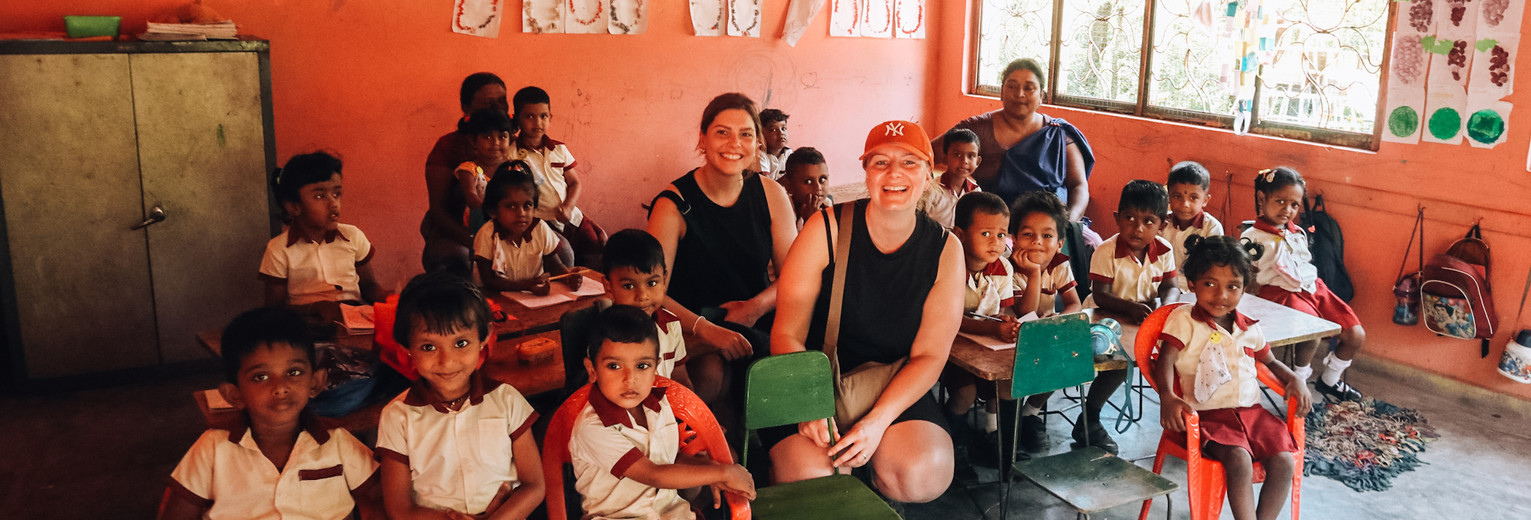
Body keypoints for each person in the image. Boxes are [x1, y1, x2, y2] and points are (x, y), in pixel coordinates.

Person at [769, 120, 962, 503]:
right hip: (812, 379)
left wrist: (878, 422)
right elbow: (786, 333)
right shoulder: (826, 228)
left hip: (891, 384)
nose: (894, 174)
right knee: (816, 481)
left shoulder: (945, 250)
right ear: (866, 172)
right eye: (880, 162)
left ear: (928, 174)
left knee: (922, 473)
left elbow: (930, 355)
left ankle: (876, 478)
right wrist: (809, 404)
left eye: (909, 162)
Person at [645, 93, 798, 405]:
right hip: (690, 325)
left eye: (746, 134)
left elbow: (796, 277)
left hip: (756, 319)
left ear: (758, 142)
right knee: (710, 381)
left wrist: (755, 307)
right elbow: (651, 291)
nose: (734, 144)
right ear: (703, 138)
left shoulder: (771, 195)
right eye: (722, 132)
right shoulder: (672, 205)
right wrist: (707, 330)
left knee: (792, 372)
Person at [159, 308, 382, 520]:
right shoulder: (212, 449)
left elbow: (378, 501)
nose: (280, 387)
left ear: (315, 383)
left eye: (293, 372)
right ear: (233, 394)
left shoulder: (339, 443)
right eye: (261, 377)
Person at [1156, 235, 1310, 520]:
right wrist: (1167, 395)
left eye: (1233, 286)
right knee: (1238, 461)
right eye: (1210, 284)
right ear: (1192, 284)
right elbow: (1164, 360)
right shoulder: (1184, 319)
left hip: (1253, 415)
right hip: (1209, 416)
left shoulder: (1249, 327)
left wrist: (1295, 379)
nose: (1221, 295)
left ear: (1244, 288)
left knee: (1284, 461)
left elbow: (1271, 362)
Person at [376, 273, 545, 519]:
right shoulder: (397, 416)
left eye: (461, 343)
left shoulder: (507, 401)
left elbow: (534, 485)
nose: (447, 361)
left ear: (483, 337)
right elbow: (400, 509)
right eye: (429, 347)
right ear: (407, 349)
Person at [570, 305, 756, 519]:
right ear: (592, 370)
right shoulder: (593, 426)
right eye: (614, 366)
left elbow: (667, 461)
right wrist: (721, 472)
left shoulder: (659, 404)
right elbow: (653, 474)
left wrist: (708, 470)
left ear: (656, 367)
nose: (630, 379)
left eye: (642, 366)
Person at [1241, 166, 1366, 401]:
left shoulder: (1297, 231)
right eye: (1280, 201)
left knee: (1355, 334)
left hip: (1313, 289)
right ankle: (1298, 383)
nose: (1287, 210)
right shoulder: (1252, 238)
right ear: (1261, 198)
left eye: (1294, 205)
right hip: (1279, 294)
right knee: (1312, 330)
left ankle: (1330, 381)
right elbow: (1247, 280)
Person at [1083, 179, 1178, 454]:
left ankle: (1188, 415)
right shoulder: (1106, 251)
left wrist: (1165, 309)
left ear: (1162, 224)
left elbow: (1171, 287)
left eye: (1149, 221)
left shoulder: (1165, 251)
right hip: (1104, 319)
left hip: (1141, 320)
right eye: (1130, 218)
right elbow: (1100, 295)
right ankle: (1090, 417)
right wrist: (1130, 309)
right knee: (1121, 363)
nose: (1138, 228)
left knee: (1180, 350)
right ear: (1117, 218)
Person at [1007, 191, 1084, 455]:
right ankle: (1004, 422)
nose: (1038, 243)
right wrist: (1034, 273)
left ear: (1060, 242)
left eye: (1047, 236)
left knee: (1068, 361)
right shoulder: (1009, 268)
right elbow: (1024, 313)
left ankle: (1030, 413)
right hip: (1012, 340)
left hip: (1044, 337)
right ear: (1014, 239)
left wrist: (1061, 318)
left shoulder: (1060, 265)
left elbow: (1074, 303)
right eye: (1028, 235)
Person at [260, 151, 385, 313]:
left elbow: (369, 286)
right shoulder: (278, 249)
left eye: (336, 194)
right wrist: (314, 308)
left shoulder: (353, 236)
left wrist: (386, 298)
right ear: (293, 206)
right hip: (308, 328)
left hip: (355, 323)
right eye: (320, 196)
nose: (333, 203)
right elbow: (274, 310)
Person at [939, 192, 1015, 454]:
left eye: (1002, 235)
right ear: (959, 234)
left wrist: (1008, 323)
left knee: (1007, 384)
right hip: (944, 349)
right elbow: (950, 319)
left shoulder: (1003, 268)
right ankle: (951, 443)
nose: (995, 242)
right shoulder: (947, 265)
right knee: (965, 394)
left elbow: (1006, 309)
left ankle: (999, 444)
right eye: (986, 234)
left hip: (985, 351)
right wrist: (994, 328)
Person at [423, 72, 510, 277]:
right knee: (455, 259)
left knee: (562, 251)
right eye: (489, 103)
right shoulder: (448, 146)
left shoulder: (510, 142)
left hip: (508, 230)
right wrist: (476, 241)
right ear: (466, 108)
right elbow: (438, 211)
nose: (497, 109)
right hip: (456, 231)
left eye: (502, 102)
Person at [508, 86, 606, 268]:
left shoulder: (559, 149)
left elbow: (575, 183)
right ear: (517, 120)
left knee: (597, 245)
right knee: (564, 254)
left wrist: (568, 206)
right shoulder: (511, 153)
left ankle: (595, 292)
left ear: (550, 117)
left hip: (571, 216)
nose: (537, 123)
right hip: (540, 220)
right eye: (530, 116)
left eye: (543, 116)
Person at [473, 161, 582, 296]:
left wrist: (568, 277)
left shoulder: (540, 228)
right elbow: (489, 281)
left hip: (531, 300)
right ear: (493, 211)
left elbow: (554, 266)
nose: (521, 213)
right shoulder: (487, 234)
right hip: (494, 300)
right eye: (511, 206)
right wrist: (525, 286)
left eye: (527, 205)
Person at [602, 229, 691, 387]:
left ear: (664, 279)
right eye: (629, 286)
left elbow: (681, 381)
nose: (642, 296)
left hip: (664, 408)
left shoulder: (671, 325)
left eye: (651, 283)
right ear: (608, 286)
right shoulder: (606, 333)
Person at [1162, 161, 1225, 292]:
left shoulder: (1211, 228)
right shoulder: (1161, 224)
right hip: (1162, 287)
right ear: (1168, 197)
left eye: (1193, 197)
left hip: (1195, 290)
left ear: (1205, 200)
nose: (1185, 204)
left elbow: (1213, 267)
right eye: (1177, 196)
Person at [450, 108, 518, 225]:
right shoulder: (468, 170)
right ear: (473, 140)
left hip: (512, 224)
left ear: (510, 140)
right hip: (481, 224)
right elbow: (471, 198)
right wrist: (497, 213)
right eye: (487, 137)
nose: (495, 142)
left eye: (502, 137)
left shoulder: (514, 168)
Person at [917, 128, 984, 229]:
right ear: (945, 158)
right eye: (957, 155)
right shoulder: (932, 189)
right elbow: (920, 221)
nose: (964, 161)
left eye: (971, 156)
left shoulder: (976, 192)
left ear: (978, 161)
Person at [778, 146, 831, 229]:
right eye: (808, 181)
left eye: (822, 179)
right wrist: (810, 221)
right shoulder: (782, 212)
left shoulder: (827, 205)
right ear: (789, 186)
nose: (818, 187)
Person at [757, 108, 792, 179]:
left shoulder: (789, 153)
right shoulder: (759, 155)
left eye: (783, 129)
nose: (781, 133)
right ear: (761, 135)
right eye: (773, 130)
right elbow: (765, 184)